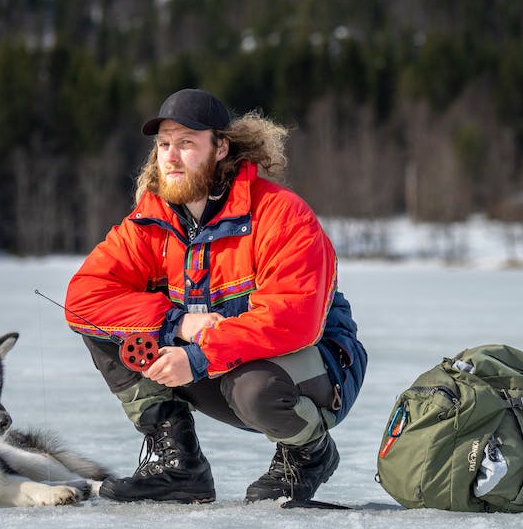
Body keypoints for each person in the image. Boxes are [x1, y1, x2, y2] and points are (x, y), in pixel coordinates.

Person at [64, 88, 367, 504]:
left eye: (187, 143)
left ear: (221, 148)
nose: (170, 156)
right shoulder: (152, 220)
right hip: (218, 362)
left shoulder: (281, 215)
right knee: (107, 327)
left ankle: (309, 453)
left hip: (316, 369)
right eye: (164, 144)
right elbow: (84, 297)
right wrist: (177, 323)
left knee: (254, 388)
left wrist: (199, 357)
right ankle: (179, 464)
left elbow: (293, 319)